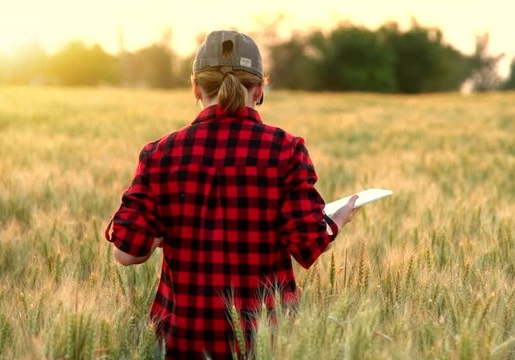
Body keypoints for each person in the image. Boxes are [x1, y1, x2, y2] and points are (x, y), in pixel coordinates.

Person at [105, 29, 358, 359]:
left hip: (182, 340)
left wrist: (166, 232)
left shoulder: (160, 153)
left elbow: (128, 253)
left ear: (196, 87)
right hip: (264, 341)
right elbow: (306, 243)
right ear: (260, 89)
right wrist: (334, 220)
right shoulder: (286, 150)